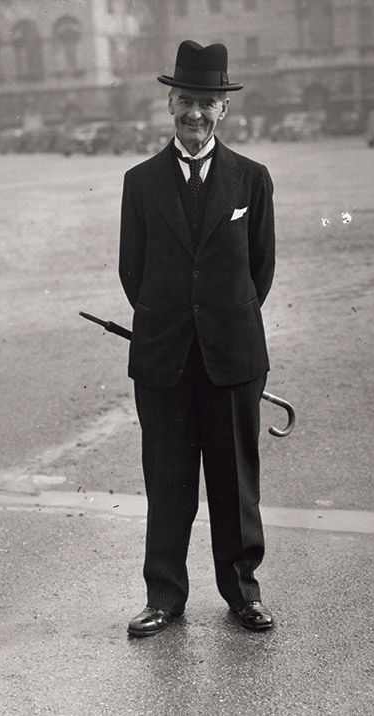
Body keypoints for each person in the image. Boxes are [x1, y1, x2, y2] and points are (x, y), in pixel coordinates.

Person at [118, 40, 276, 636]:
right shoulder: (140, 182)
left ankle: (242, 594)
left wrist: (217, 322)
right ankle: (164, 597)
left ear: (224, 110)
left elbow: (260, 270)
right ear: (170, 103)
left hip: (232, 356)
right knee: (168, 481)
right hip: (164, 359)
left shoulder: (251, 180)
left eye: (208, 103)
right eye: (187, 100)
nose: (196, 114)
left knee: (235, 484)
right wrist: (175, 323)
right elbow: (131, 270)